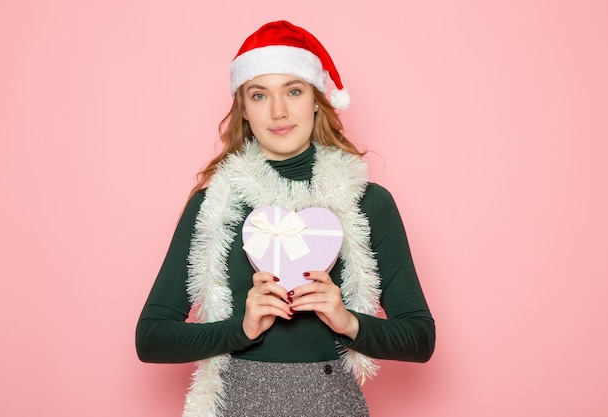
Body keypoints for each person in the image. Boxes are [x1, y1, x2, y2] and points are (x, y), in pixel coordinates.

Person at [136, 20, 435, 417]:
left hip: (333, 404)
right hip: (235, 404)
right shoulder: (214, 206)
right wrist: (239, 330)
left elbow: (420, 337)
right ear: (244, 107)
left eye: (293, 91)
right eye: (259, 95)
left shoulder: (369, 203)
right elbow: (151, 338)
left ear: (316, 98)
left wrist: (346, 320)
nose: (278, 111)